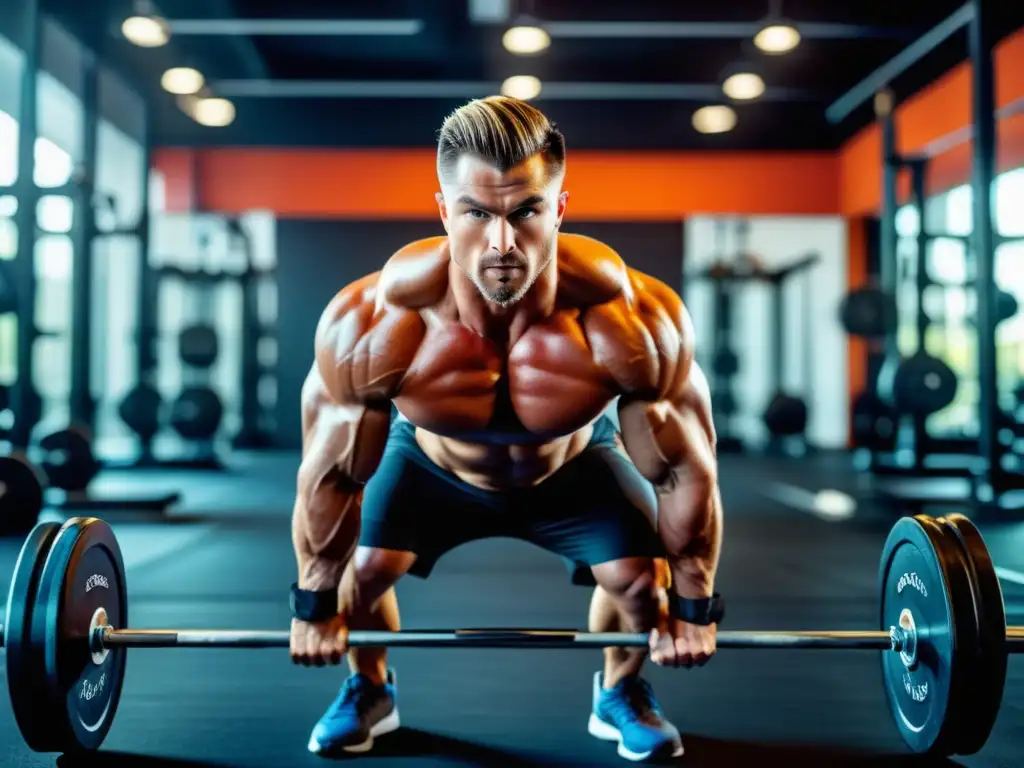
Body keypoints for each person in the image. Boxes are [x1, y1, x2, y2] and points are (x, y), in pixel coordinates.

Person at [289, 95, 724, 763]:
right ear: (443, 211)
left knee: (643, 588)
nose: (501, 244)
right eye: (475, 213)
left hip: (570, 465)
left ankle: (620, 690)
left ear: (559, 208)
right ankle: (368, 687)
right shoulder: (378, 322)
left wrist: (693, 608)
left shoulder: (628, 318)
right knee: (363, 575)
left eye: (525, 211)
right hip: (429, 465)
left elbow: (684, 465)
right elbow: (334, 470)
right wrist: (316, 603)